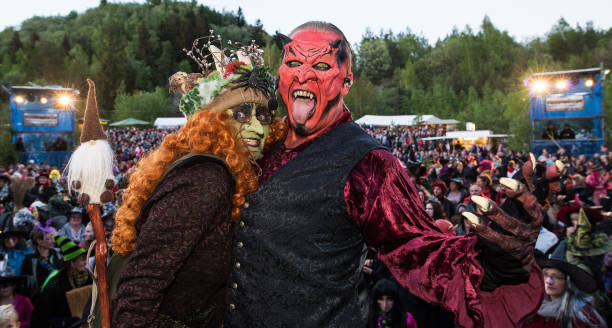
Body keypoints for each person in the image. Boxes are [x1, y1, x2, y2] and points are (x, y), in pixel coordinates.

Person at [223, 21, 557, 327]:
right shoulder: (263, 141)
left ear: (346, 82)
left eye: (321, 66)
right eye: (293, 63)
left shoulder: (368, 165)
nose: (303, 75)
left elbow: (421, 250)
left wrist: (490, 264)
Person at [110, 35, 284, 327]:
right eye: (241, 114)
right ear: (213, 122)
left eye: (264, 115)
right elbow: (134, 302)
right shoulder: (205, 182)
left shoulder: (225, 176)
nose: (257, 126)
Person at [522, 245, 606, 327]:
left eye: (556, 277)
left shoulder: (583, 316)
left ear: (568, 283)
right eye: (546, 275)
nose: (549, 281)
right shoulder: (532, 310)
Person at [30, 235, 90, 328]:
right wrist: (66, 322)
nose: (86, 262)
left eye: (86, 258)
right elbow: (44, 315)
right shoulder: (55, 282)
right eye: (82, 259)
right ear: (71, 263)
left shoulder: (89, 277)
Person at [0, 263, 32, 328]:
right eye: (0, 285)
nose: (3, 288)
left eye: (6, 285)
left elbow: (33, 320)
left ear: (14, 285)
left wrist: (15, 325)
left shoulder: (24, 301)